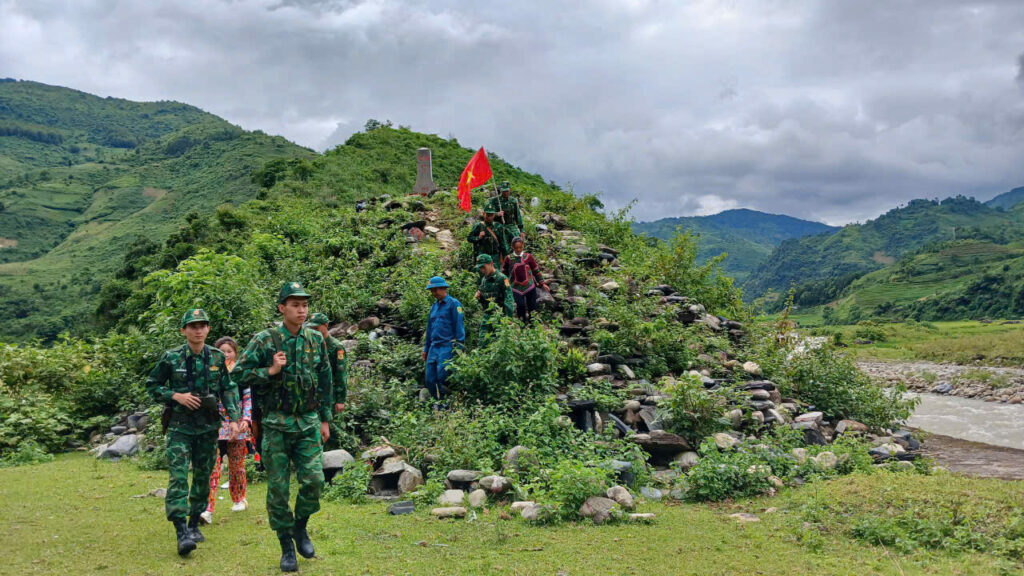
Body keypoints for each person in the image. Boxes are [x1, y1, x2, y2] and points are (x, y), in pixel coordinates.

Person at [234, 282, 333, 573]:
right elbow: (238, 373)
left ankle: (300, 527)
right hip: (276, 424)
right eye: (295, 305)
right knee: (277, 490)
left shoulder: (316, 339)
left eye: (304, 305)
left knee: (314, 481)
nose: (301, 310)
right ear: (282, 308)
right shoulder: (265, 340)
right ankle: (286, 546)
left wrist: (325, 418)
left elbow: (324, 378)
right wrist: (270, 371)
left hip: (308, 423)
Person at [146, 308, 240, 557]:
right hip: (180, 427)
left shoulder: (218, 358)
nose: (198, 330)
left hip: (208, 428)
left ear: (208, 329)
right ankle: (181, 531)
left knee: (202, 476)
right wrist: (175, 395)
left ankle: (194, 522)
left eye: (202, 325)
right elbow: (152, 385)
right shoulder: (171, 357)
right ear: (184, 330)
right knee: (178, 477)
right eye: (192, 326)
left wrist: (234, 419)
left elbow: (228, 389)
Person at [201, 336, 252, 524]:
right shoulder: (209, 371)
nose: (226, 354)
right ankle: (207, 508)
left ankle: (240, 499)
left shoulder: (240, 373)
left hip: (237, 424)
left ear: (235, 353)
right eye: (222, 351)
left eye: (229, 351)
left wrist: (246, 418)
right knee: (212, 466)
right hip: (215, 424)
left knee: (237, 465)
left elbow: (247, 397)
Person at [422, 276, 465, 402]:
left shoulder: (454, 304)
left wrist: (459, 348)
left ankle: (447, 403)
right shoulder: (434, 307)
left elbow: (459, 327)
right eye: (432, 291)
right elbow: (429, 329)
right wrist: (426, 349)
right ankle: (438, 402)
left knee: (442, 376)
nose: (433, 294)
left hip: (447, 346)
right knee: (430, 378)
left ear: (443, 288)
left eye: (435, 290)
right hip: (434, 347)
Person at [305, 312, 348, 415]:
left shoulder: (336, 347)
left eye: (316, 328)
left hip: (329, 394)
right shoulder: (310, 344)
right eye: (310, 328)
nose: (313, 331)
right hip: (312, 393)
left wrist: (340, 400)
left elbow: (341, 373)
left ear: (326, 326)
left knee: (329, 424)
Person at [502, 237, 548, 324]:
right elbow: (504, 274)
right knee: (520, 305)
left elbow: (535, 270)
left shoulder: (528, 257)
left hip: (530, 286)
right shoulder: (508, 258)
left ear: (523, 246)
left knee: (532, 307)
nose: (518, 249)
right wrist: (507, 285)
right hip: (515, 288)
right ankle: (522, 324)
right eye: (516, 248)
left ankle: (532, 325)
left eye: (520, 247)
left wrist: (542, 283)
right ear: (512, 247)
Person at [474, 254, 514, 340]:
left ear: (491, 263)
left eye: (483, 267)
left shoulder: (503, 279)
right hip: (488, 317)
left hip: (501, 315)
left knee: (501, 342)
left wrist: (509, 317)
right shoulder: (484, 280)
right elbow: (485, 303)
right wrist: (479, 297)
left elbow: (509, 298)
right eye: (480, 268)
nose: (482, 270)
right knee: (483, 341)